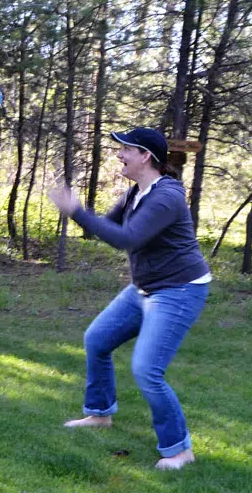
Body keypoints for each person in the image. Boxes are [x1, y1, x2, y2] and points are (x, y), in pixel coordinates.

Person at [48, 127, 211, 470]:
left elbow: (128, 239)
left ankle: (180, 449)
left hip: (179, 290)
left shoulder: (167, 196)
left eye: (125, 150)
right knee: (97, 339)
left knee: (147, 370)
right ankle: (99, 414)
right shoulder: (135, 193)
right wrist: (80, 212)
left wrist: (77, 210)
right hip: (144, 288)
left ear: (145, 156)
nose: (118, 155)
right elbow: (103, 228)